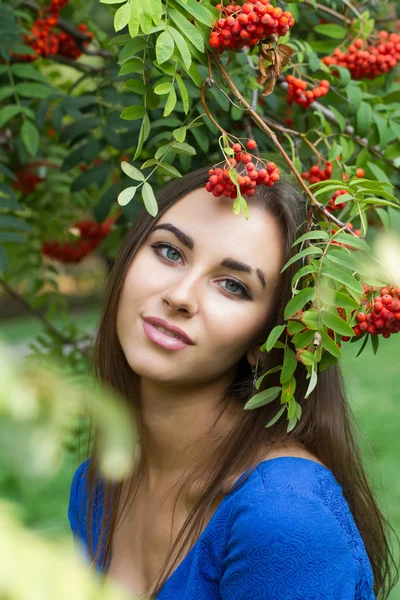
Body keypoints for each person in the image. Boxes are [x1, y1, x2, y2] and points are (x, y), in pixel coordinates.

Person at [68, 165, 398, 600]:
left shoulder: (283, 518)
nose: (180, 296)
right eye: (169, 252)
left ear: (267, 339)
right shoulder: (98, 487)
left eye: (233, 286)